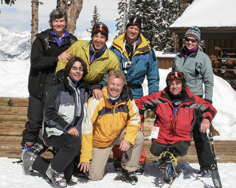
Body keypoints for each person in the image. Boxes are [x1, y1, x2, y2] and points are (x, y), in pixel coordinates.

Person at [22, 57, 91, 188]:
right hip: (55, 131)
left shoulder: (84, 90)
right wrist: (67, 127)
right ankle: (54, 170)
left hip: (72, 135)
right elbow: (48, 114)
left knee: (68, 177)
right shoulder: (58, 89)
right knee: (73, 144)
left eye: (81, 69)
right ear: (68, 70)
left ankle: (33, 160)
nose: (78, 71)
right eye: (74, 68)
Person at [21, 8, 78, 151]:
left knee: (56, 124)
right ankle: (27, 149)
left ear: (66, 22)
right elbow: (35, 61)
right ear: (51, 22)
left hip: (60, 88)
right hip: (39, 86)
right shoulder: (42, 39)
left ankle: (57, 155)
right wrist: (57, 59)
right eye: (56, 21)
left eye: (61, 21)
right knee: (34, 122)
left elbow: (77, 63)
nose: (59, 24)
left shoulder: (72, 41)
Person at [110, 16, 160, 173]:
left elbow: (153, 78)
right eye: (131, 27)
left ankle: (138, 159)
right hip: (117, 90)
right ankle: (119, 157)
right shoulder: (115, 48)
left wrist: (153, 100)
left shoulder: (147, 51)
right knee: (118, 125)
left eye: (136, 28)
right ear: (126, 29)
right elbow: (107, 71)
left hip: (136, 92)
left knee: (136, 126)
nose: (133, 30)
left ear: (139, 31)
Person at [78, 70, 144, 185]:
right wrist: (85, 157)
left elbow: (134, 120)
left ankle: (128, 169)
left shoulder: (127, 99)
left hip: (117, 134)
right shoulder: (97, 100)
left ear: (123, 86)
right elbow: (87, 130)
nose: (115, 88)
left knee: (138, 136)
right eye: (112, 84)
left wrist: (127, 139)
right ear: (107, 84)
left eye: (118, 85)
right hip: (100, 142)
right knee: (94, 176)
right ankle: (80, 162)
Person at [135, 71, 217, 162]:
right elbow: (139, 103)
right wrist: (139, 118)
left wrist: (206, 119)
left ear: (183, 84)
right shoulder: (160, 97)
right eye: (171, 84)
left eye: (178, 83)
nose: (174, 86)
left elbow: (210, 108)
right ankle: (166, 156)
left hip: (181, 139)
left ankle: (169, 157)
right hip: (161, 138)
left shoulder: (192, 100)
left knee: (180, 149)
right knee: (155, 150)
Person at [172, 26, 215, 177]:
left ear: (197, 41)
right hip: (179, 99)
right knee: (175, 130)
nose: (190, 42)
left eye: (193, 40)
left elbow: (209, 82)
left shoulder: (203, 58)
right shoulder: (178, 56)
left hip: (196, 99)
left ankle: (207, 166)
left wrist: (207, 102)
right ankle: (171, 162)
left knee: (200, 133)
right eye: (188, 39)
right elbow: (173, 78)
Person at [55, 22, 120, 99]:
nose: (98, 40)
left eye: (102, 37)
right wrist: (60, 72)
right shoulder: (79, 45)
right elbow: (64, 59)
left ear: (106, 39)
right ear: (92, 37)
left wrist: (121, 86)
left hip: (92, 89)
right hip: (72, 83)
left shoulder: (111, 58)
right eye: (96, 36)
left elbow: (115, 77)